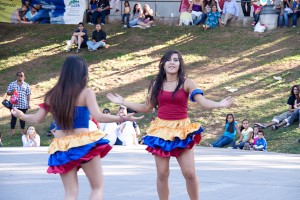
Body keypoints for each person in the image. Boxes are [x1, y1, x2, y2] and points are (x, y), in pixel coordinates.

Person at [107, 49, 233, 200]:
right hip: (161, 130)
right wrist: (123, 102)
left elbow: (203, 102)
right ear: (163, 64)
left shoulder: (187, 82)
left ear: (180, 64)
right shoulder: (156, 84)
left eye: (175, 60)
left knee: (189, 173)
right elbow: (147, 107)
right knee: (162, 174)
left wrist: (219, 104)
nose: (172, 62)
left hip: (182, 130)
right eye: (168, 59)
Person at [11, 56, 142, 199]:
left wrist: (21, 115)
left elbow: (36, 119)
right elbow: (98, 117)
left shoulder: (52, 95)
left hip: (62, 146)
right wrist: (121, 118)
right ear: (83, 73)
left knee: (70, 193)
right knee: (97, 187)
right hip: (83, 143)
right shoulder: (86, 92)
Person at [6, 71, 31, 136]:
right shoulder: (12, 84)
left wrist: (28, 104)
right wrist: (12, 92)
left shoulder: (26, 85)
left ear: (24, 77)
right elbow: (8, 93)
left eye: (21, 75)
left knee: (22, 118)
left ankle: (22, 132)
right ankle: (12, 132)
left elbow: (28, 95)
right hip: (14, 105)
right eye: (18, 75)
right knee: (13, 118)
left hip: (23, 105)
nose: (20, 77)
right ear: (16, 76)